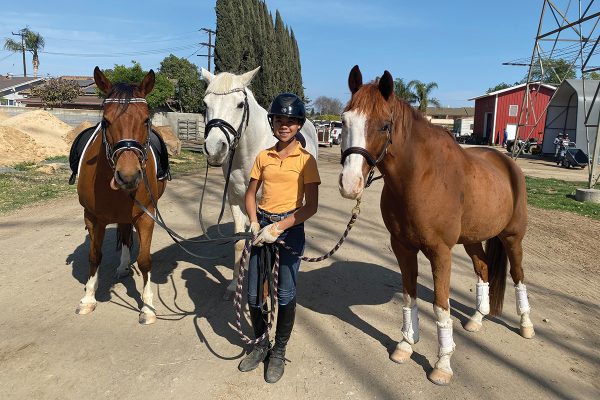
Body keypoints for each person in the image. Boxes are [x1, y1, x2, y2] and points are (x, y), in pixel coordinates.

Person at [240, 93, 320, 383]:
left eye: (290, 121)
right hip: (262, 225)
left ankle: (279, 350)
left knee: (284, 293)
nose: (284, 126)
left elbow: (310, 206)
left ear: (299, 125)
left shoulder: (306, 161)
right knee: (252, 293)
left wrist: (280, 227)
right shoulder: (263, 157)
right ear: (272, 123)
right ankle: (261, 343)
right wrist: (253, 222)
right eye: (279, 120)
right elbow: (250, 194)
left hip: (290, 227)